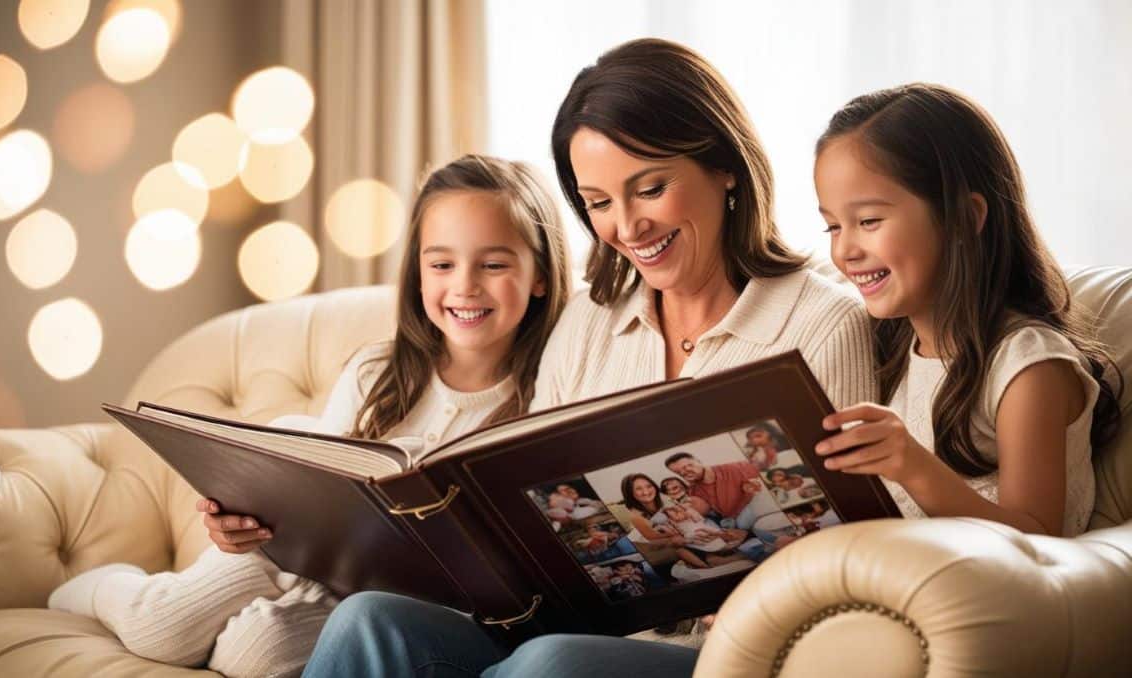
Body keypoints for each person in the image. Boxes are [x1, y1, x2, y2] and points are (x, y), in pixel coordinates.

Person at [300, 38, 877, 678]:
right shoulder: (590, 322)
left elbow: (856, 538)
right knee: (370, 619)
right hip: (572, 625)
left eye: (650, 188)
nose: (628, 227)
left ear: (724, 167)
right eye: (600, 203)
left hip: (724, 653)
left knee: (551, 664)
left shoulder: (823, 323)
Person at [46, 155, 572, 677]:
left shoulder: (547, 394)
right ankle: (106, 584)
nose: (465, 286)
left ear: (541, 275)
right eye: (441, 264)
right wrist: (235, 520)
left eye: (494, 264)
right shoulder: (377, 372)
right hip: (289, 555)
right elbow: (320, 470)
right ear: (417, 272)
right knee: (161, 626)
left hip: (386, 602)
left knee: (254, 655)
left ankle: (235, 624)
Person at [812, 83, 1122, 538]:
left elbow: (1038, 541)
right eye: (833, 227)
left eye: (869, 221)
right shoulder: (884, 349)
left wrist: (914, 467)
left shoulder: (1028, 366)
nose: (846, 250)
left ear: (964, 217)